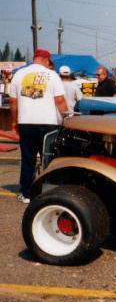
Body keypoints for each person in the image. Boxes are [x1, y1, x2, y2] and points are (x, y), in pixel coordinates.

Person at [9, 48, 68, 203]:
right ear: (46, 60)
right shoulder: (52, 75)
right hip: (48, 122)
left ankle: (26, 193)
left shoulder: (18, 75)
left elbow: (13, 103)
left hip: (26, 122)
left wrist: (14, 121)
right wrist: (67, 117)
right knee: (49, 158)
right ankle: (49, 191)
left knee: (28, 158)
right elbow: (60, 101)